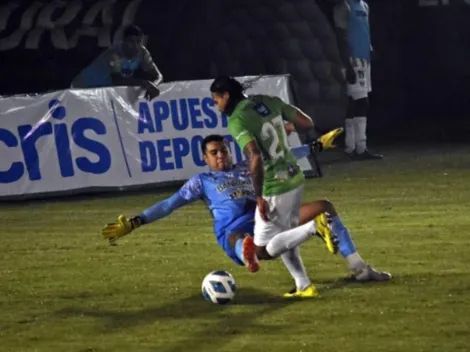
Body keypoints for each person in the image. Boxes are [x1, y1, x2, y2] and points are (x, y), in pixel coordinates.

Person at [102, 135, 391, 298]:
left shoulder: (244, 166)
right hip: (233, 229)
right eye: (214, 153)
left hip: (264, 215)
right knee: (246, 241)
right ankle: (261, 259)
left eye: (223, 151)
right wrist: (137, 221)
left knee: (324, 206)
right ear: (205, 158)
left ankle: (358, 268)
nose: (221, 157)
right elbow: (169, 204)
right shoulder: (201, 181)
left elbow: (282, 156)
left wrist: (315, 146)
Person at [210, 76, 336, 297]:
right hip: (294, 176)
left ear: (226, 96)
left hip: (275, 186)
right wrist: (284, 126)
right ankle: (303, 285)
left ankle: (315, 226)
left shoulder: (237, 120)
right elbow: (306, 122)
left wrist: (259, 196)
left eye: (216, 100)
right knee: (284, 235)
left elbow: (255, 156)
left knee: (262, 251)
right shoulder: (269, 100)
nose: (216, 106)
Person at [331, 0, 382, 159]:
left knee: (357, 99)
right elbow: (340, 36)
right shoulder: (344, 6)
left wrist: (370, 48)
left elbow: (363, 30)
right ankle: (358, 146)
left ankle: (353, 146)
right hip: (353, 59)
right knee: (359, 100)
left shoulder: (364, 5)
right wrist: (347, 63)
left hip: (364, 58)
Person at [71, 25, 162, 100]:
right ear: (124, 42)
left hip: (103, 93)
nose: (135, 46)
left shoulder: (142, 52)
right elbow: (117, 80)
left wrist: (154, 85)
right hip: (82, 88)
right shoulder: (114, 53)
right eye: (131, 42)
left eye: (138, 42)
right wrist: (144, 83)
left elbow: (158, 76)